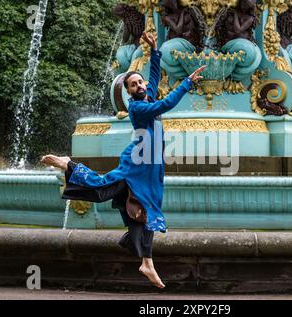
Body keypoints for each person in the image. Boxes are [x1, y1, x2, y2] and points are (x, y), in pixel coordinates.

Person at [41, 31, 206, 289]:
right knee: (104, 188)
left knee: (147, 211)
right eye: (134, 85)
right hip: (138, 160)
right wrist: (186, 82)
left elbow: (154, 77)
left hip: (152, 164)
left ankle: (147, 263)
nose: (140, 86)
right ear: (128, 92)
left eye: (139, 83)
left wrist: (154, 51)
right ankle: (68, 164)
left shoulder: (147, 95)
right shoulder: (138, 107)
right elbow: (165, 105)